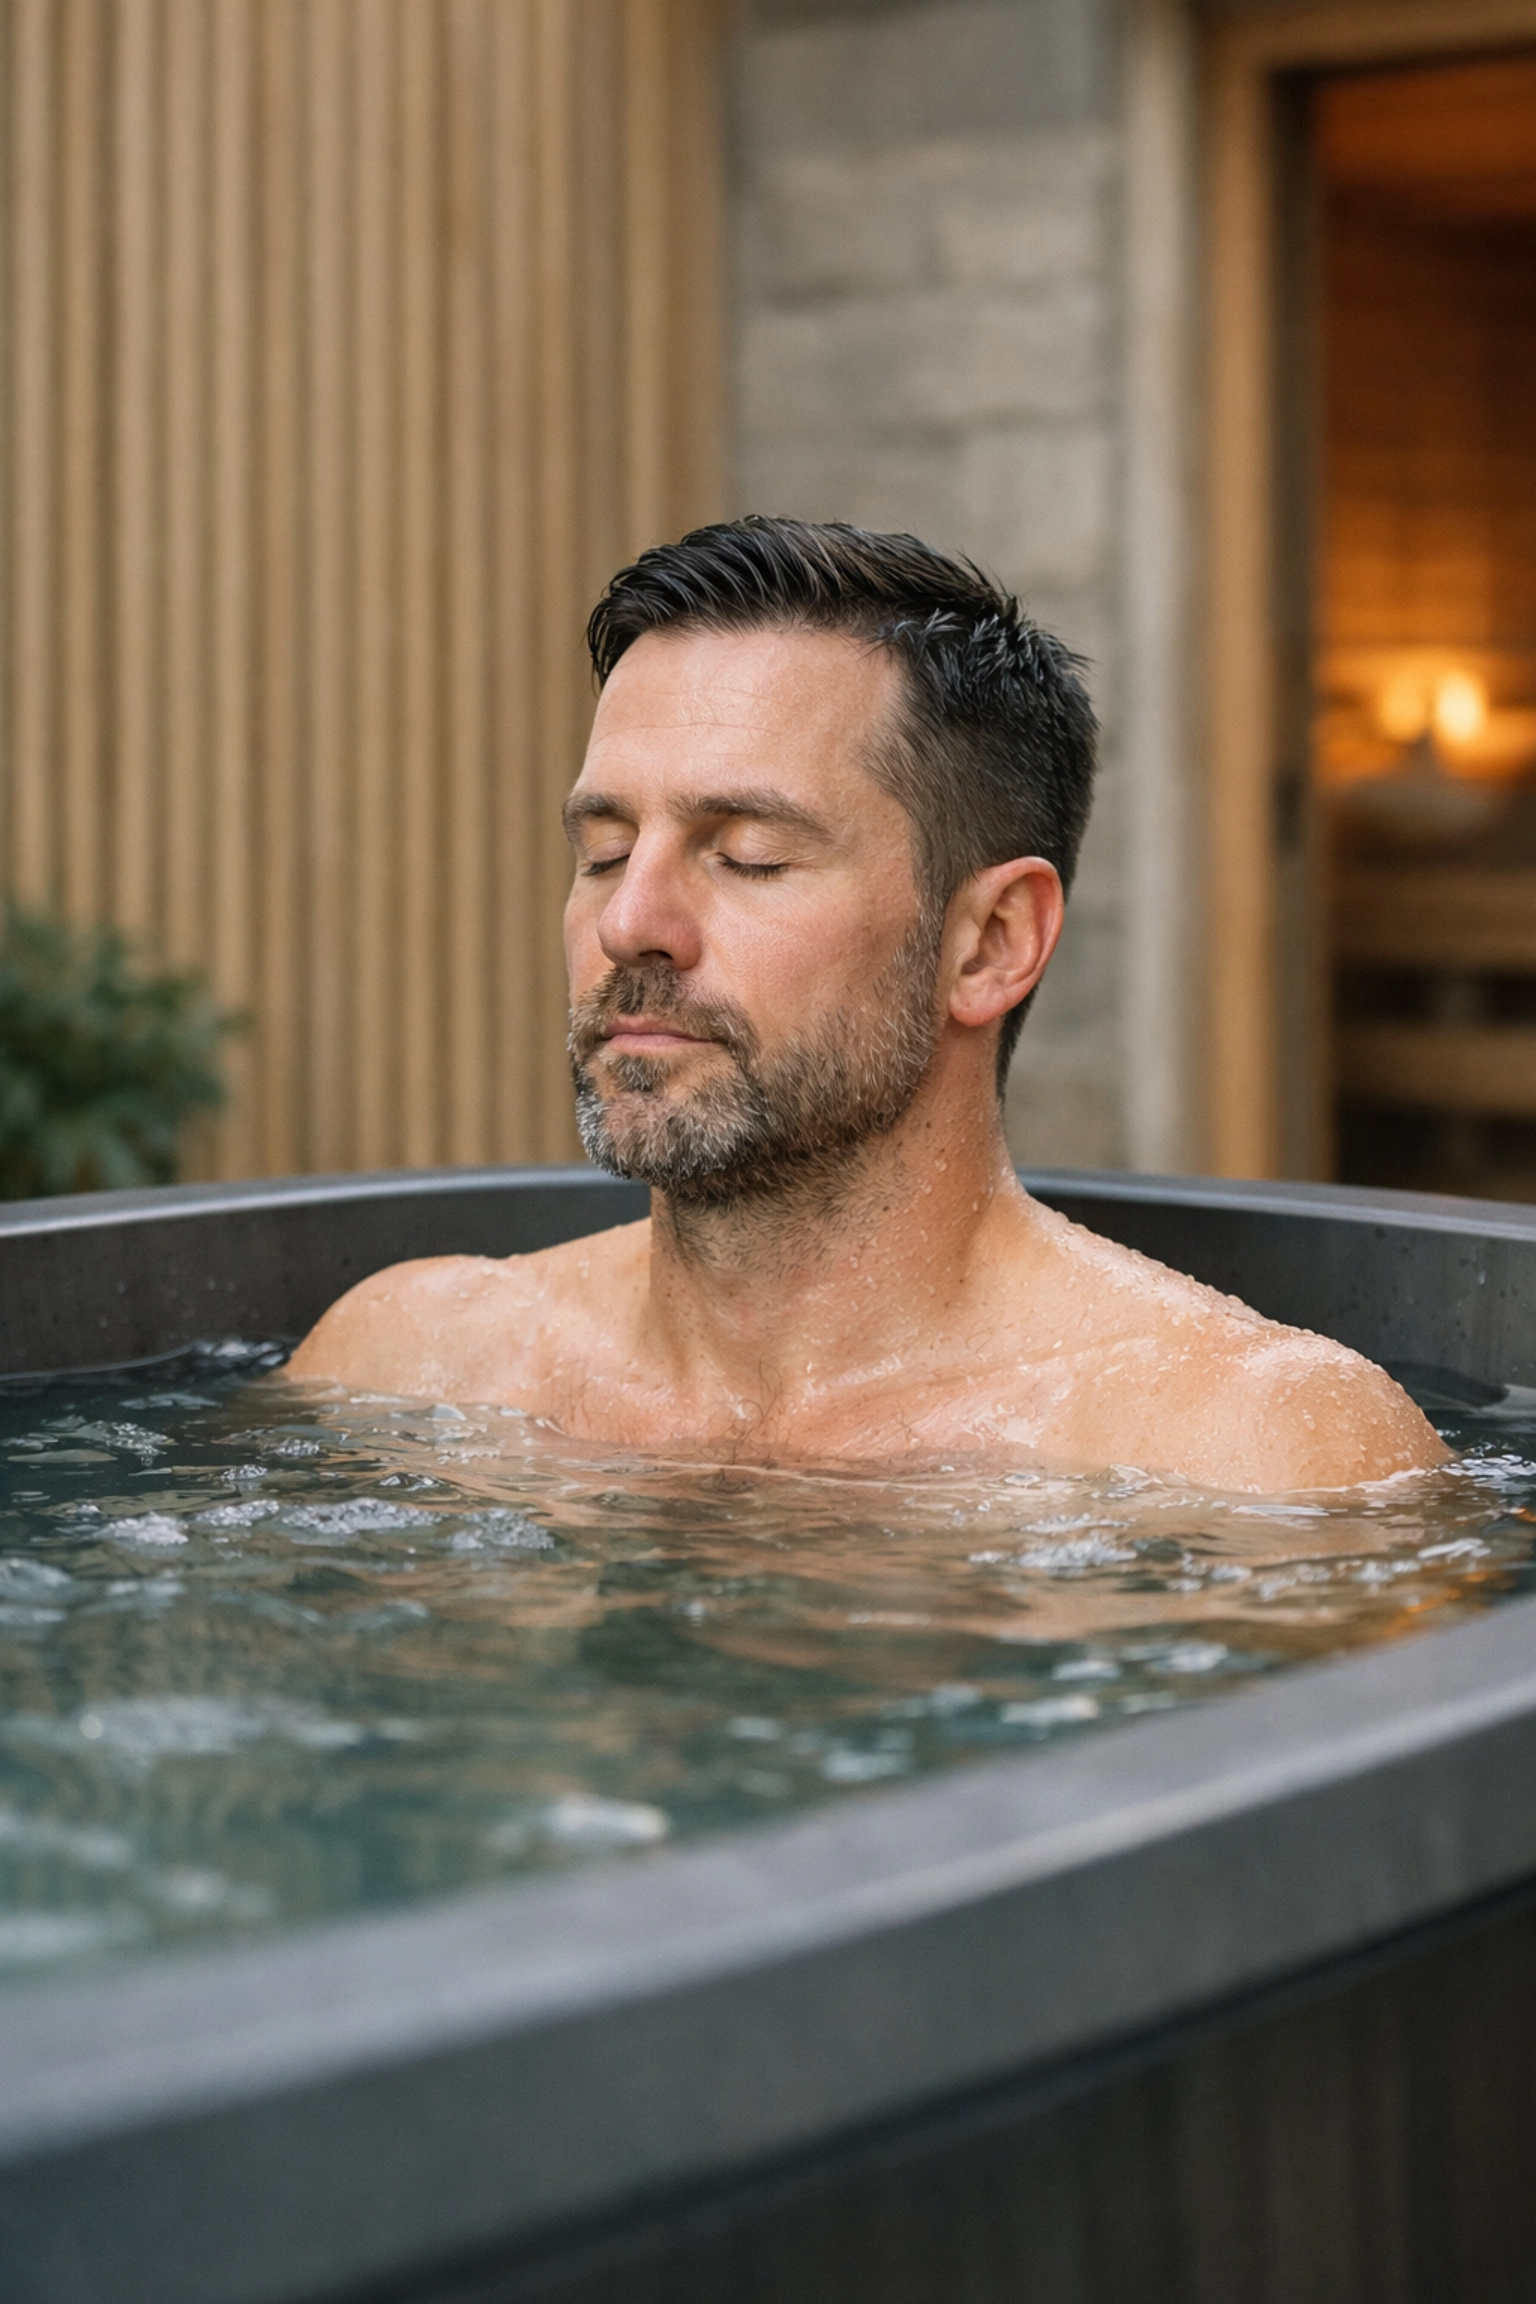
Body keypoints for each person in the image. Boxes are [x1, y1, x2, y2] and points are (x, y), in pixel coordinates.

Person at [289, 517, 1443, 1491]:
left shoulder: (1246, 1461)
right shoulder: (408, 1368)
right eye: (601, 851)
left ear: (989, 944)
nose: (628, 922)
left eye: (745, 855)